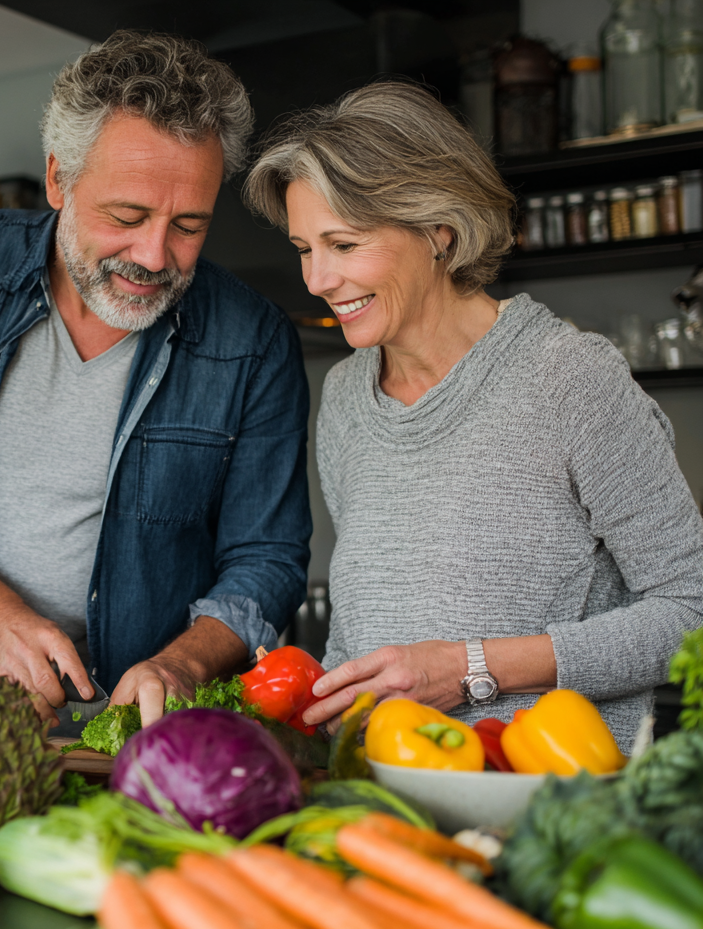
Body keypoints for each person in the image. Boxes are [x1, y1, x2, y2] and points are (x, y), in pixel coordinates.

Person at [0, 32, 311, 727]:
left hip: (149, 741)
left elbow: (266, 560)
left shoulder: (254, 340)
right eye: (127, 216)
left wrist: (180, 664)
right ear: (59, 179)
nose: (154, 255)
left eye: (188, 225)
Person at [244, 82, 703, 751]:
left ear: (439, 229)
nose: (316, 280)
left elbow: (689, 615)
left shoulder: (570, 377)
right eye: (303, 248)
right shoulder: (346, 395)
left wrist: (469, 670)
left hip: (550, 807)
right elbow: (363, 627)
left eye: (343, 245)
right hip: (391, 796)